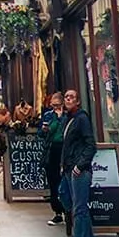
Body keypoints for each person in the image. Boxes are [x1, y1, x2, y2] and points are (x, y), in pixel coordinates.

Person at [61, 90, 98, 237]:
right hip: (69, 170)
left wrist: (80, 165)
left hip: (78, 172)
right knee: (70, 202)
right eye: (66, 97)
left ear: (78, 101)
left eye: (72, 97)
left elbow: (91, 145)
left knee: (80, 210)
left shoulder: (82, 119)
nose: (68, 99)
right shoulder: (70, 119)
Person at [41, 91, 68, 225]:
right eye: (53, 105)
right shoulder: (47, 115)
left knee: (65, 180)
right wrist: (44, 130)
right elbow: (41, 134)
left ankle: (68, 211)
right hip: (51, 150)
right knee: (53, 181)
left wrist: (59, 117)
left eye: (57, 105)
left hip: (64, 150)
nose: (55, 108)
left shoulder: (67, 116)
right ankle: (57, 212)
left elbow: (65, 129)